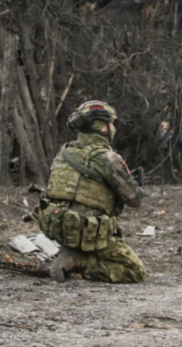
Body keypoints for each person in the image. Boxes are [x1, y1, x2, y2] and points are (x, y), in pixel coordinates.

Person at [34, 101, 145, 283]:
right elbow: (134, 200)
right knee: (134, 270)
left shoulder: (64, 153)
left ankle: (72, 252)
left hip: (59, 226)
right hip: (87, 230)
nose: (112, 127)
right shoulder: (107, 158)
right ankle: (80, 261)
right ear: (103, 127)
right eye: (111, 123)